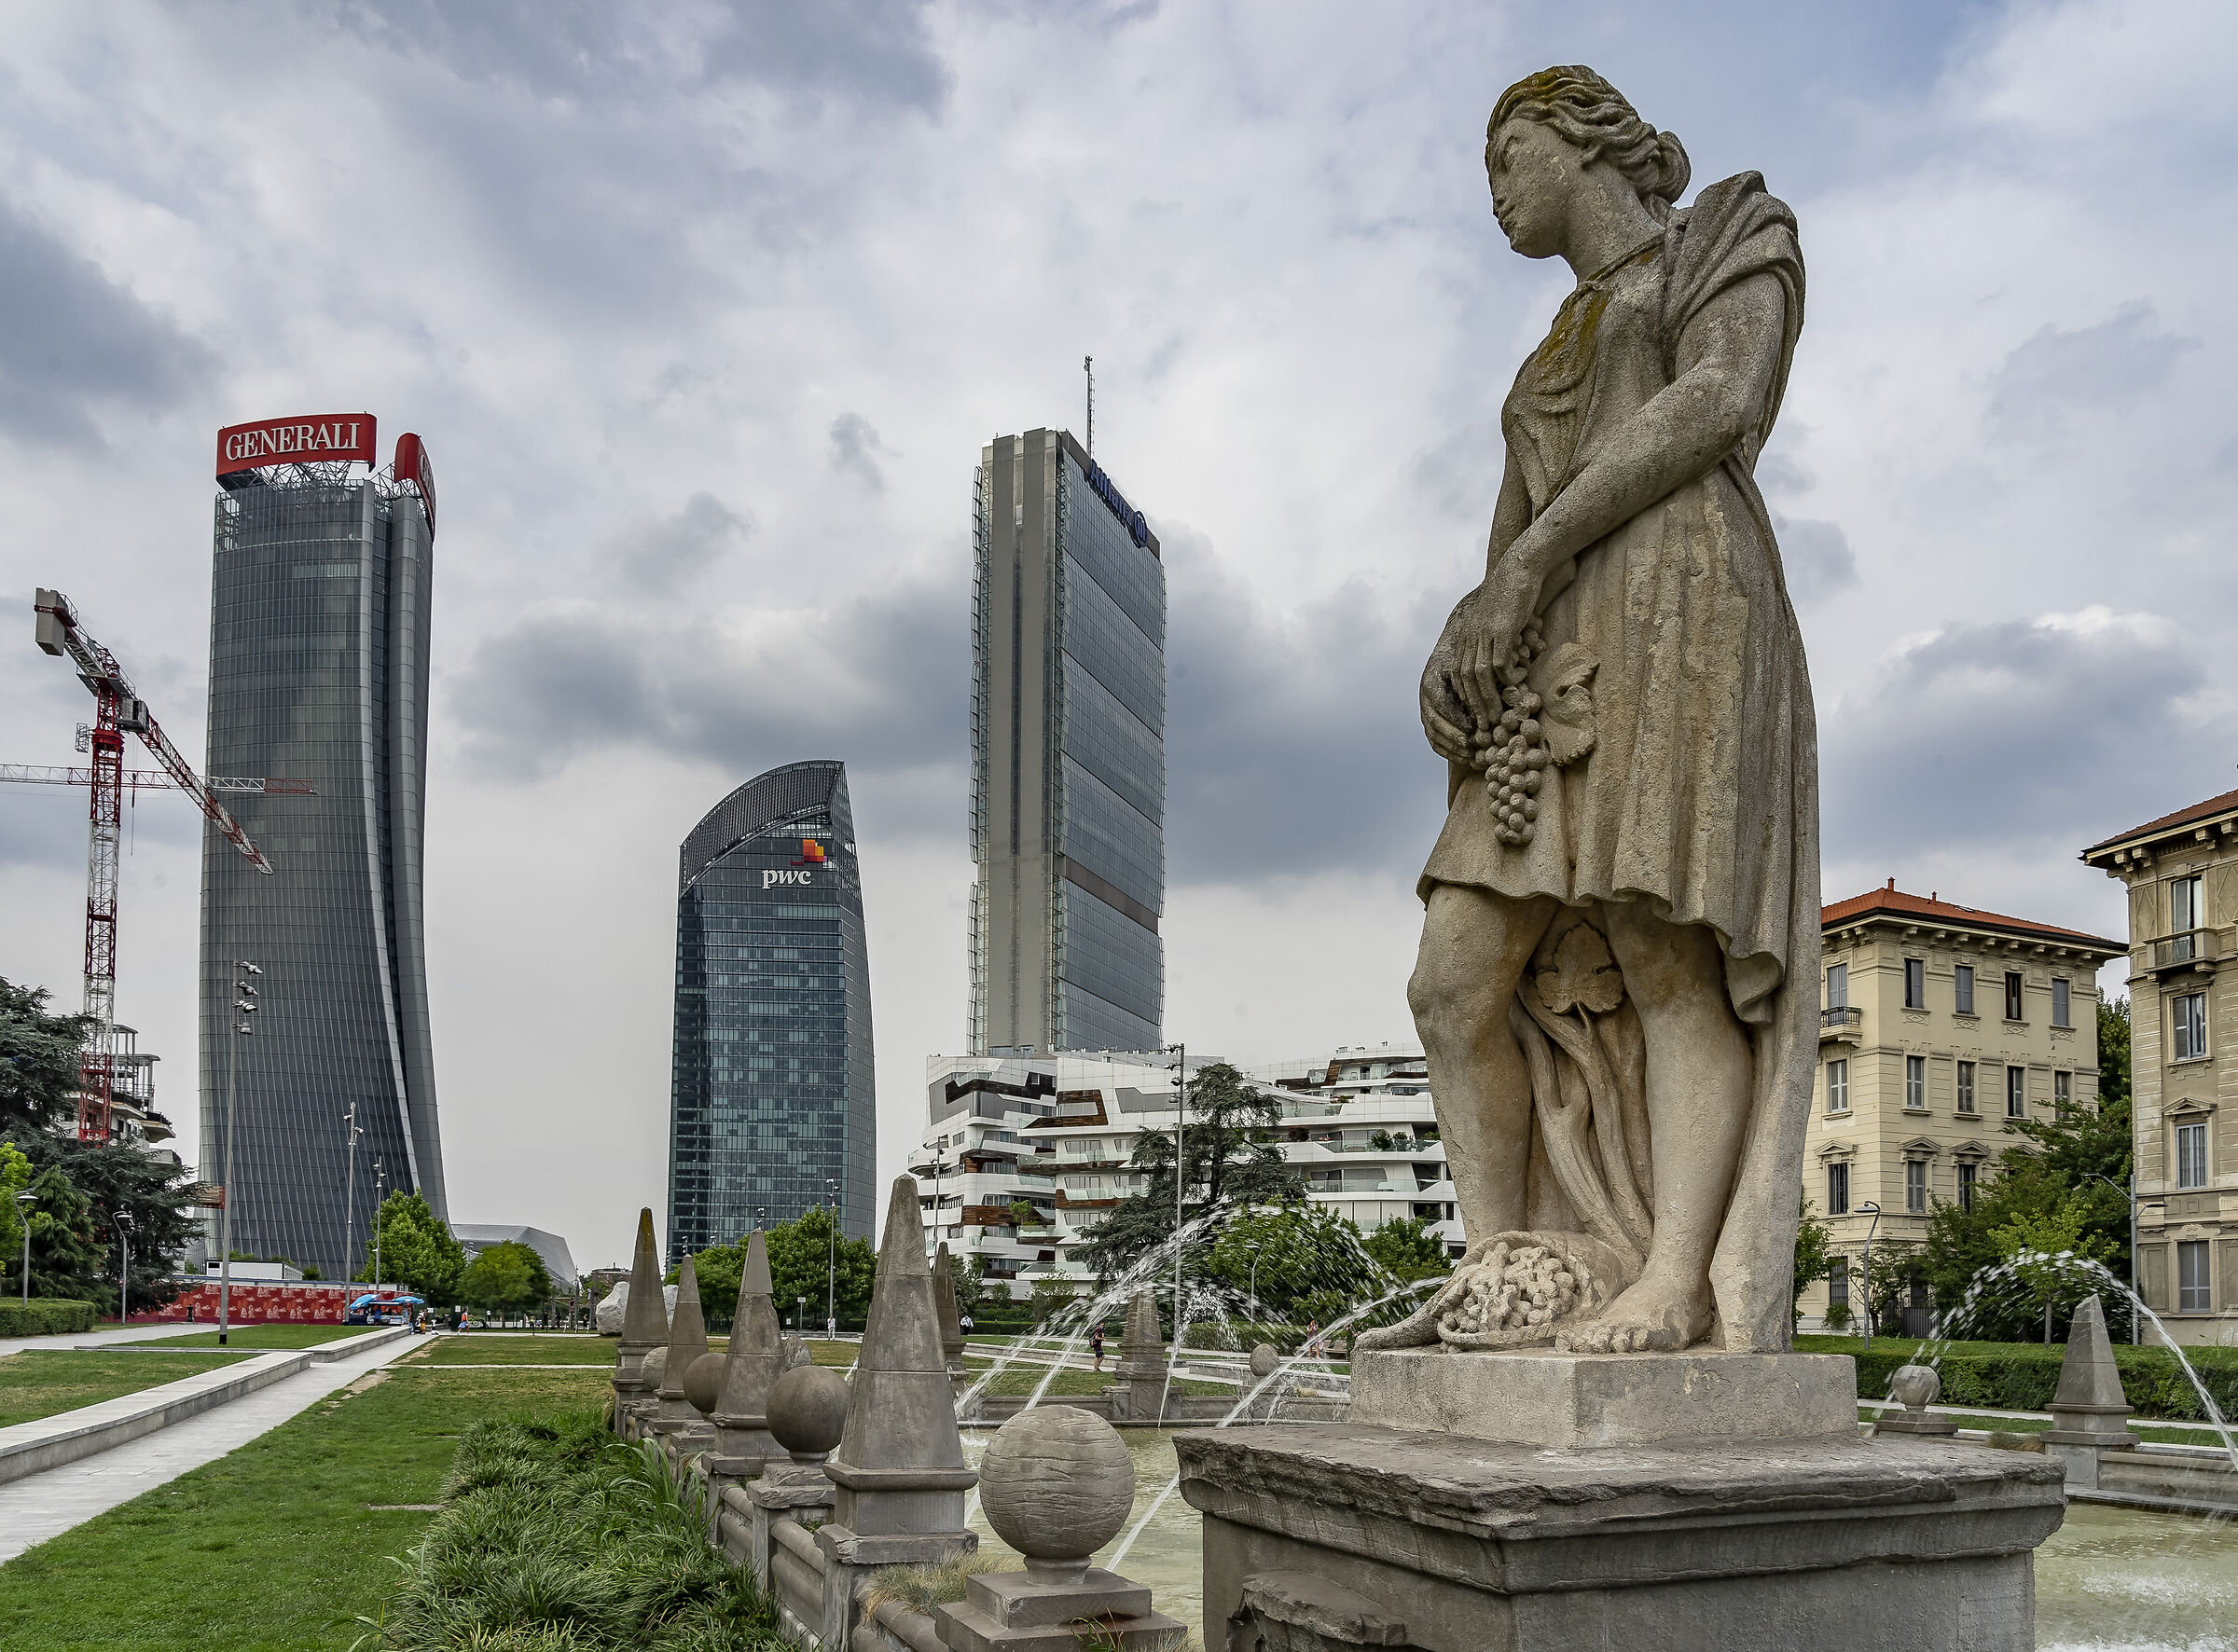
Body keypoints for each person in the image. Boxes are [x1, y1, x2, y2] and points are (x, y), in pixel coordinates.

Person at [1410, 65, 1813, 1356]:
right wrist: (1470, 636)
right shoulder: (1553, 347)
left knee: (1662, 951)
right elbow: (1512, 528)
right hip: (1555, 653)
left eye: (1505, 159)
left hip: (1683, 601)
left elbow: (1717, 403)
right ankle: (1508, 1266)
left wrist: (1526, 569)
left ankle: (1679, 1278)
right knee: (1455, 977)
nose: (1495, 194)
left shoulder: (1731, 230)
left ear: (1581, 143)